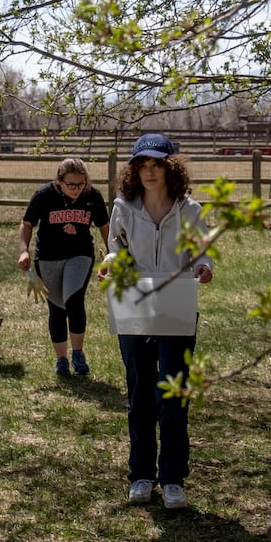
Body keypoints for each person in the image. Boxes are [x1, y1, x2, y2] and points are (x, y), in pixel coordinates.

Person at [100, 133, 213, 511]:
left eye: (156, 165)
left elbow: (202, 253)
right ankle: (142, 475)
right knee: (139, 394)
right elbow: (116, 250)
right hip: (134, 302)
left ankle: (174, 478)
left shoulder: (191, 210)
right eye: (142, 166)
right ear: (135, 170)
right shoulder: (123, 207)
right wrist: (110, 265)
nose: (149, 172)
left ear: (170, 167)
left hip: (177, 303)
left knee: (172, 393)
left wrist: (203, 267)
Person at [19, 157, 110, 376]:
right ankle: (61, 359)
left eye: (81, 184)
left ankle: (78, 354)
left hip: (80, 255)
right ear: (59, 181)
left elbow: (104, 226)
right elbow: (27, 223)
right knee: (57, 308)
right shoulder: (44, 196)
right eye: (71, 184)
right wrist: (24, 250)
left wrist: (113, 253)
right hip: (48, 257)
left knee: (74, 300)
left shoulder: (92, 196)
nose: (77, 189)